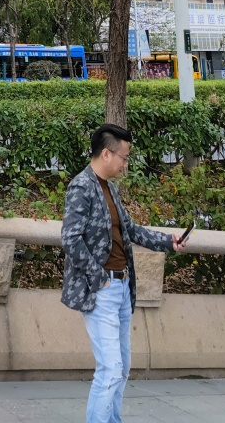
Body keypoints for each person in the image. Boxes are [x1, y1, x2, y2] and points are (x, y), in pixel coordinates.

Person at [61, 123, 188, 423]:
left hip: (121, 288)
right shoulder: (82, 187)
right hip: (101, 290)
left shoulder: (110, 189)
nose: (125, 163)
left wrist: (167, 241)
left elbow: (130, 230)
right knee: (110, 368)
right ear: (106, 154)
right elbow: (70, 238)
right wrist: (99, 278)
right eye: (123, 157)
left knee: (122, 366)